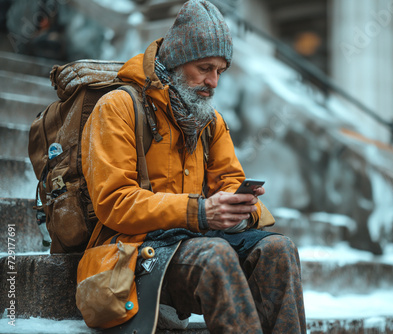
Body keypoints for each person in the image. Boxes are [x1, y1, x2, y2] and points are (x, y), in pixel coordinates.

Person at [81, 0, 306, 333]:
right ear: (176, 61)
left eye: (219, 71)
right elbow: (114, 203)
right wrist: (199, 212)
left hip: (195, 241)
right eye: (204, 68)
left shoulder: (210, 120)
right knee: (214, 255)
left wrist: (238, 210)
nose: (213, 82)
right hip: (133, 254)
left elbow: (230, 179)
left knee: (278, 248)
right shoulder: (117, 107)